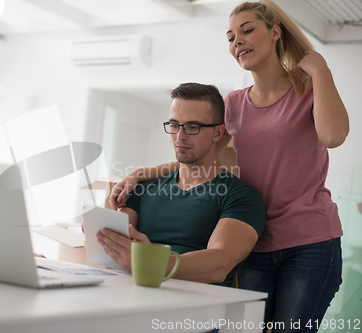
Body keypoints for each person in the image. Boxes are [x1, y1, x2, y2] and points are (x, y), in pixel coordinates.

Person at [109, 1, 349, 332]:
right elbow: (205, 160)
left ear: (275, 32)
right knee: (246, 329)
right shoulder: (234, 104)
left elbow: (334, 135)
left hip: (310, 242)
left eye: (247, 30)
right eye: (231, 37)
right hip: (257, 241)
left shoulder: (307, 88)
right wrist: (140, 173)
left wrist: (321, 71)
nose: (237, 42)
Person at [95, 82, 266, 287]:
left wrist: (152, 261)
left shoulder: (240, 196)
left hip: (194, 311)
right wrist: (101, 233)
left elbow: (220, 264)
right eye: (174, 125)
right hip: (133, 296)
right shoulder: (144, 187)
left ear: (218, 133)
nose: (180, 136)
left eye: (193, 126)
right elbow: (117, 241)